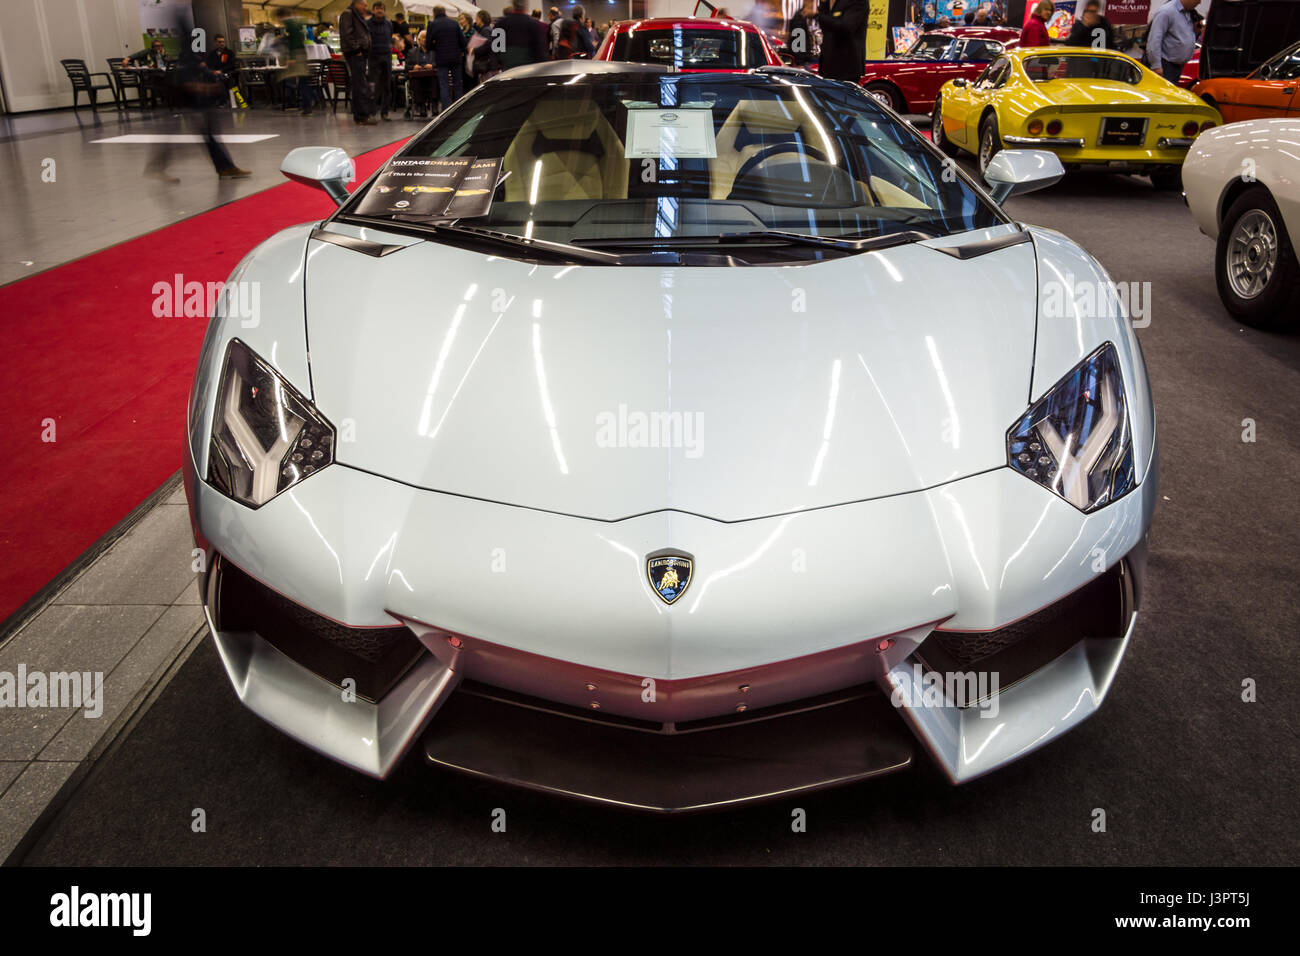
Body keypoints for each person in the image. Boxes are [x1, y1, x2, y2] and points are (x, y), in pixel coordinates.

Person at [145, 25, 249, 181]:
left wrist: (209, 77)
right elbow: (187, 78)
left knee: (204, 133)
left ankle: (225, 167)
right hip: (187, 97)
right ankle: (225, 167)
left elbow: (199, 68)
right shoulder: (188, 52)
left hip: (189, 97)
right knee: (190, 132)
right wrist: (206, 88)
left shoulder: (194, 52)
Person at [339, 0, 377, 124]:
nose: (365, 7)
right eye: (364, 5)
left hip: (360, 54)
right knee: (359, 85)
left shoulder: (356, 15)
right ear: (357, 3)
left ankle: (362, 115)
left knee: (360, 84)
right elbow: (347, 34)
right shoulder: (348, 14)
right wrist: (357, 50)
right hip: (355, 55)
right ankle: (361, 116)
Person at [426, 5, 467, 110]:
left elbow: (428, 45)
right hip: (456, 58)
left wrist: (437, 46)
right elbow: (463, 42)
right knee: (457, 85)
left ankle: (447, 109)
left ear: (434, 13)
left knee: (444, 85)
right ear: (445, 12)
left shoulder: (432, 25)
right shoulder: (454, 23)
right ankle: (459, 108)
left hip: (441, 59)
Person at [1147, 0, 1198, 84]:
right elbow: (1154, 39)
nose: (1199, 2)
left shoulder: (1189, 13)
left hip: (1177, 66)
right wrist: (1156, 66)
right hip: (1165, 66)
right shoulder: (1166, 11)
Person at [277, 7, 315, 115]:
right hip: (302, 54)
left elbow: (294, 40)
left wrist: (291, 58)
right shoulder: (296, 22)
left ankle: (307, 106)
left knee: (302, 82)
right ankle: (308, 104)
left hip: (297, 55)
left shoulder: (290, 24)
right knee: (304, 81)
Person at [817, 0, 866, 82]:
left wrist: (817, 15)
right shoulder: (831, 3)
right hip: (828, 65)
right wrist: (824, 5)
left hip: (846, 67)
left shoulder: (857, 2)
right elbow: (827, 28)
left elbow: (846, 27)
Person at [496, 3, 549, 71]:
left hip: (507, 68)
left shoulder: (499, 24)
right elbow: (540, 49)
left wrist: (495, 66)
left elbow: (496, 48)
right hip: (529, 67)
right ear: (525, 7)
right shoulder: (534, 24)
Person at [367, 2, 394, 120]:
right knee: (373, 86)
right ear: (373, 10)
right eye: (377, 8)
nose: (379, 11)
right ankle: (371, 112)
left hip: (386, 57)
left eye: (382, 9)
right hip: (373, 58)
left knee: (387, 86)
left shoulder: (389, 24)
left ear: (384, 11)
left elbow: (390, 37)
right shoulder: (367, 24)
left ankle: (385, 113)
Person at [406, 29, 434, 117]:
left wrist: (432, 66)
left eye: (427, 37)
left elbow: (441, 63)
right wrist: (413, 67)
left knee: (435, 79)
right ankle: (421, 105)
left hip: (431, 76)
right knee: (415, 81)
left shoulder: (434, 52)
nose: (425, 39)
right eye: (423, 37)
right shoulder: (412, 52)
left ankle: (435, 104)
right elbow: (406, 66)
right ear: (418, 40)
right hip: (418, 76)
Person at [787, 0, 822, 67]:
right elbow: (797, 44)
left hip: (804, 59)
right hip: (803, 62)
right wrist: (800, 63)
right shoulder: (799, 19)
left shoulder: (802, 17)